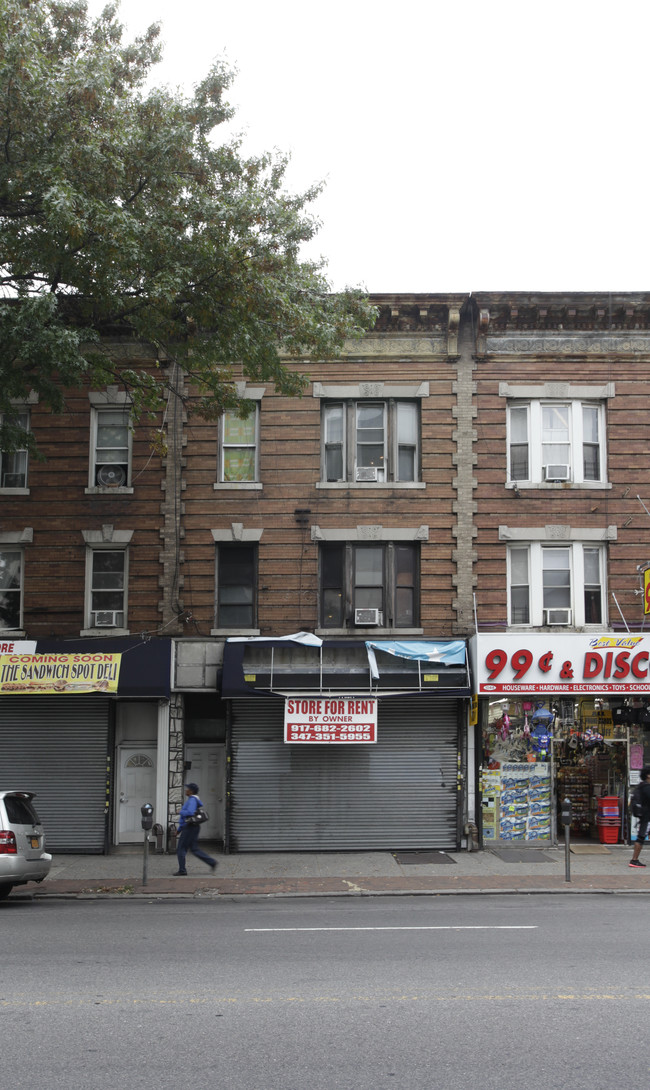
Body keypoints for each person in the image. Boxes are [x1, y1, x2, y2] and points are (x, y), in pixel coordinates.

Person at [174, 782, 218, 876]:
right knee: (194, 849)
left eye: (188, 789)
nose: (186, 790)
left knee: (181, 849)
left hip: (189, 827)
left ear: (191, 791)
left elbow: (190, 813)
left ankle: (182, 870)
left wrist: (181, 811)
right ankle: (212, 862)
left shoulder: (192, 800)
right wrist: (179, 830)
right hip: (192, 827)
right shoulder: (192, 799)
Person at [629, 766, 650, 868]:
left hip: (645, 815)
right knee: (641, 837)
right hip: (646, 816)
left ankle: (634, 859)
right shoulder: (646, 787)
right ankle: (634, 860)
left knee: (641, 837)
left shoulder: (642, 785)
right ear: (648, 775)